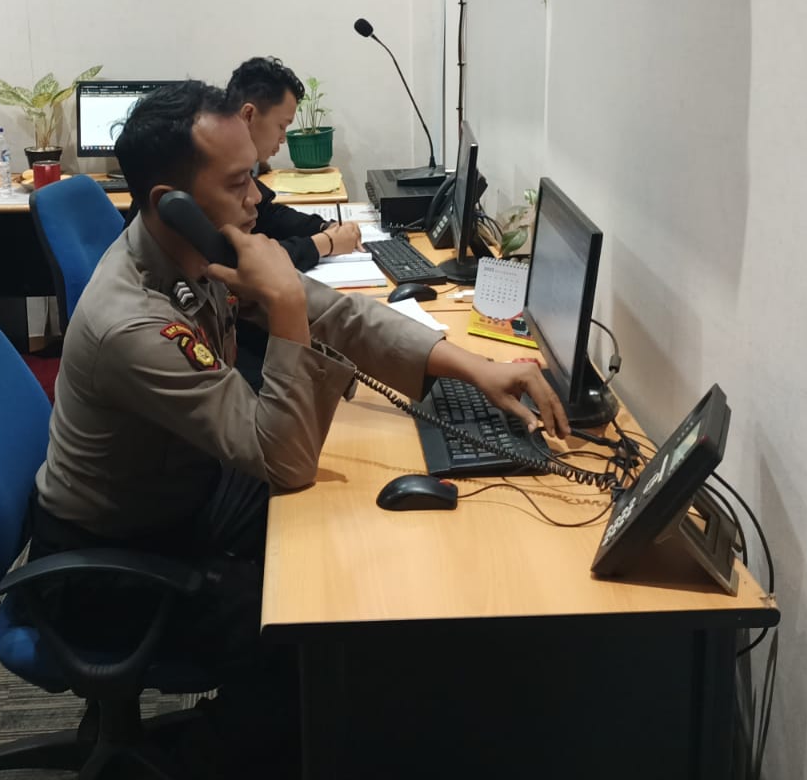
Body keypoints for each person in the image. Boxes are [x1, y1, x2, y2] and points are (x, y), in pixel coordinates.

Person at [29, 81, 567, 778]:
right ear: (173, 204)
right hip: (109, 566)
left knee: (357, 546)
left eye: (254, 173)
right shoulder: (130, 321)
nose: (257, 196)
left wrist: (475, 367)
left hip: (181, 497)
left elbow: (339, 316)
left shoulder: (195, 253)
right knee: (313, 633)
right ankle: (198, 762)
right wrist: (283, 304)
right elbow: (282, 458)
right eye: (238, 182)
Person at [226, 55, 361, 270]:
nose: (283, 138)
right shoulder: (213, 170)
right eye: (281, 126)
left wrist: (323, 227)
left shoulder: (237, 163)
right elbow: (236, 258)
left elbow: (267, 215)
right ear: (249, 115)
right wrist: (325, 243)